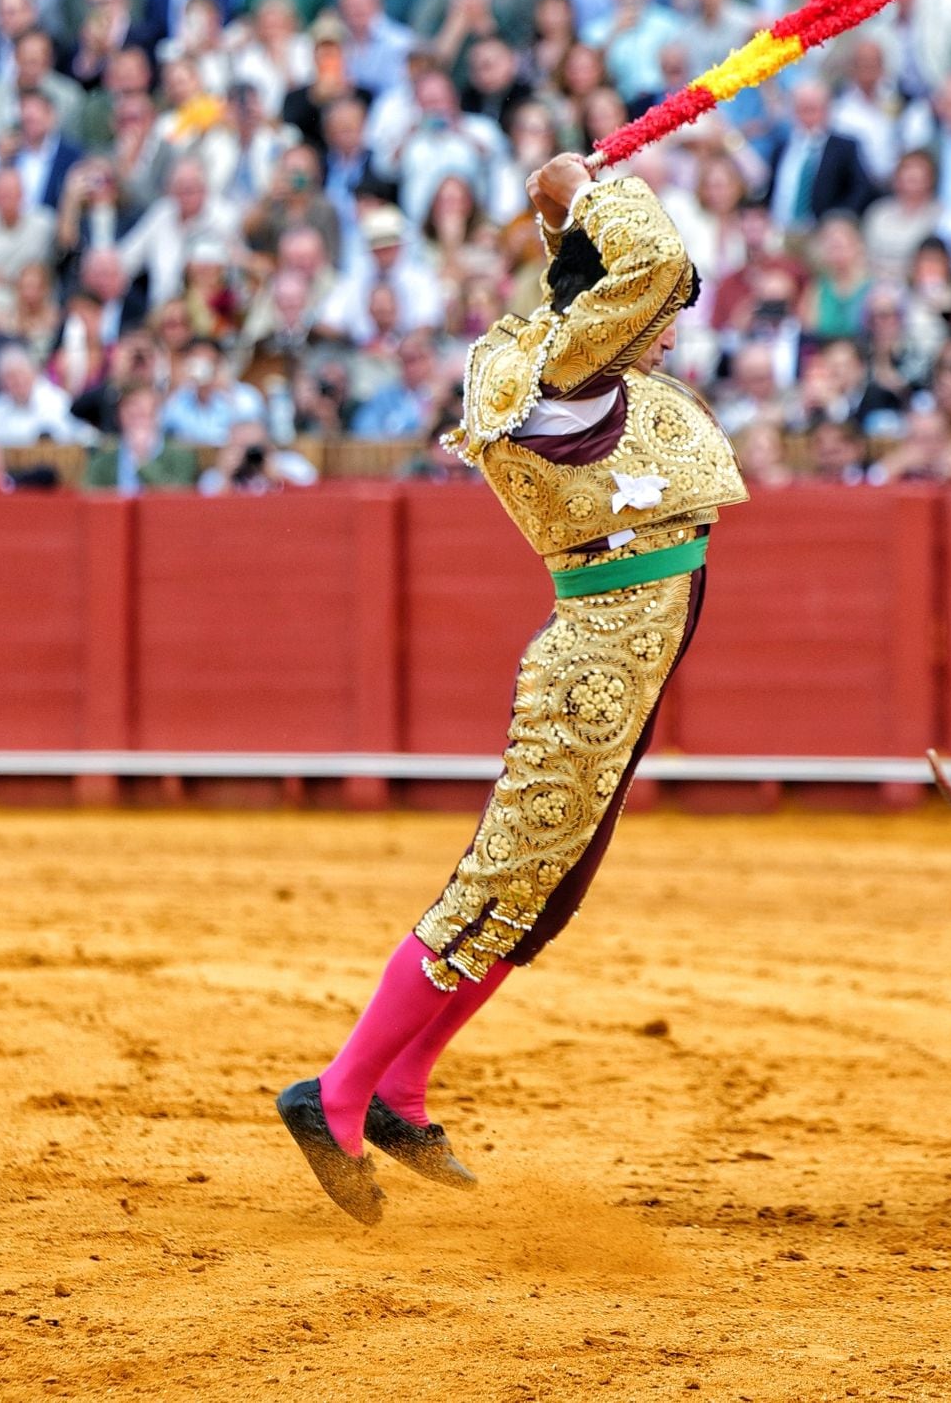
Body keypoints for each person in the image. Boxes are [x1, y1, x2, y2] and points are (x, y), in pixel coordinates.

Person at [276, 152, 746, 1224]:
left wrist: (565, 215)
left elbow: (607, 277)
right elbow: (650, 260)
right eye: (657, 312)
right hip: (596, 656)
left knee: (547, 894)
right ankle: (335, 1094)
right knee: (501, 884)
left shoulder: (558, 358)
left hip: (626, 648)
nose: (669, 327)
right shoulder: (563, 368)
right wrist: (580, 193)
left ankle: (399, 1087)